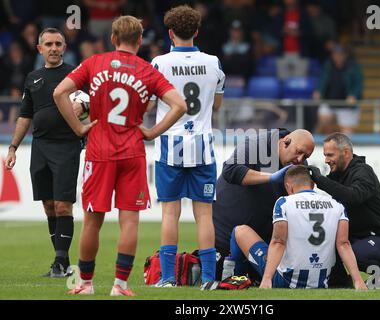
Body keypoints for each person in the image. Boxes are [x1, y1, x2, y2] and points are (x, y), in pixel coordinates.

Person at [53, 16, 187, 296]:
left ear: (113, 38)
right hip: (132, 152)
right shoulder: (148, 71)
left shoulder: (94, 63)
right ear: (140, 40)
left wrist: (79, 128)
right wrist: (151, 132)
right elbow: (180, 105)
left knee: (92, 221)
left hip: (99, 152)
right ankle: (120, 285)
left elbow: (59, 93)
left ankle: (86, 284)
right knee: (129, 221)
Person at [148, 5, 225, 291]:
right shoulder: (213, 62)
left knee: (170, 213)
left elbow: (148, 104)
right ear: (196, 31)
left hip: (170, 144)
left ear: (170, 32)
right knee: (204, 214)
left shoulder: (159, 63)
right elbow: (216, 105)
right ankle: (208, 279)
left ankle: (167, 278)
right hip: (202, 145)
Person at [4, 28, 82, 277]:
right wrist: (13, 147)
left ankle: (60, 263)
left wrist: (86, 107)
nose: (53, 48)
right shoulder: (33, 78)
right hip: (39, 147)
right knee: (48, 205)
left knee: (62, 206)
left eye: (58, 43)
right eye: (48, 44)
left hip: (67, 146)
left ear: (64, 47)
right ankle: (62, 263)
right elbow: (24, 116)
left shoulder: (76, 74)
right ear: (39, 49)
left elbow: (92, 102)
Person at [231, 165, 367, 290]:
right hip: (320, 282)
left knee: (240, 231)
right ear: (313, 185)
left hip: (285, 281)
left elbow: (279, 242)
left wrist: (266, 279)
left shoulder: (284, 203)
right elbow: (344, 244)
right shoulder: (337, 204)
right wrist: (358, 281)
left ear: (288, 187)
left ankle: (239, 278)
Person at [213, 128, 315, 281]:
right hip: (225, 238)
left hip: (260, 241)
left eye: (305, 156)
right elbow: (230, 170)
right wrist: (270, 177)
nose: (300, 159)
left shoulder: (297, 163)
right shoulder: (257, 144)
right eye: (298, 152)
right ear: (286, 141)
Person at [307, 133, 380, 288]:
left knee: (352, 254)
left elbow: (353, 197)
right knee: (325, 245)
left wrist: (321, 180)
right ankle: (340, 282)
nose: (326, 160)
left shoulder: (363, 172)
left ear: (345, 152)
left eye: (330, 155)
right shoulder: (337, 175)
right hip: (358, 237)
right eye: (325, 155)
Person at [313, 44, 363, 135]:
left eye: (340, 54)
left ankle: (342, 146)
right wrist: (319, 91)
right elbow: (322, 80)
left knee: (347, 132)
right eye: (336, 54)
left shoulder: (353, 67)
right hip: (330, 101)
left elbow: (358, 84)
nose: (338, 56)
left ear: (345, 55)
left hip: (347, 104)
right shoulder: (328, 65)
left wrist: (353, 95)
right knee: (324, 120)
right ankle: (330, 144)